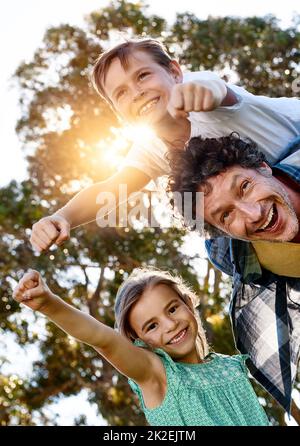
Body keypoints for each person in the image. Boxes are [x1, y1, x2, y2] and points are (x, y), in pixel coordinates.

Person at [29, 37, 300, 252]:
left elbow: (217, 89)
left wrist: (204, 94)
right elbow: (111, 188)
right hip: (273, 189)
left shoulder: (199, 89)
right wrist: (63, 217)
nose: (136, 93)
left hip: (294, 145)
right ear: (118, 113)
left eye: (143, 76)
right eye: (121, 93)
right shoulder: (150, 148)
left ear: (174, 71)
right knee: (215, 239)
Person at [13, 268, 269, 426]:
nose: (170, 324)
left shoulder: (231, 366)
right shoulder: (158, 375)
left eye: (172, 308)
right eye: (151, 326)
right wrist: (49, 304)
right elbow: (103, 339)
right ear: (139, 342)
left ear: (188, 304)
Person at [168, 133, 300, 412]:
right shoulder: (243, 263)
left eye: (245, 186)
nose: (253, 214)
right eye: (226, 215)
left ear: (264, 167)